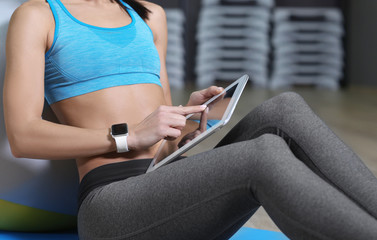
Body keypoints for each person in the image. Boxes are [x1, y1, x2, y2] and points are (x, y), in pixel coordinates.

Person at [3, 0, 377, 239]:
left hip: (170, 183)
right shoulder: (38, 15)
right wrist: (128, 136)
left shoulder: (148, 16)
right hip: (113, 207)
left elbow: (163, 142)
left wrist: (189, 124)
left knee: (285, 109)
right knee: (262, 155)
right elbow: (23, 136)